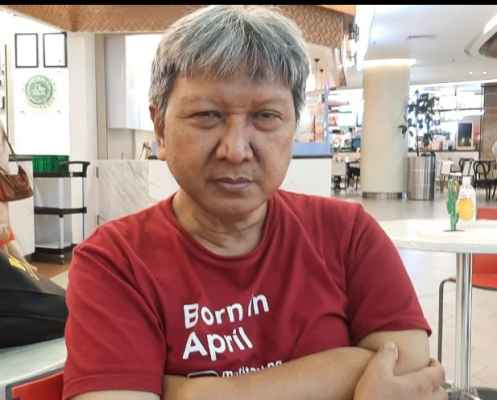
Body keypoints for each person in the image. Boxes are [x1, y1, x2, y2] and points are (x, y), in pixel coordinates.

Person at [63, 5, 447, 400]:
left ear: (293, 127)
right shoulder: (115, 262)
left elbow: (407, 368)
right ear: (160, 128)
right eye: (207, 115)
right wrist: (350, 373)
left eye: (265, 116)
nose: (235, 149)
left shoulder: (348, 234)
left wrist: (197, 394)